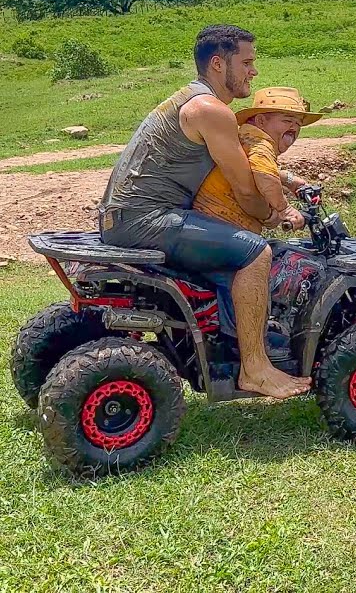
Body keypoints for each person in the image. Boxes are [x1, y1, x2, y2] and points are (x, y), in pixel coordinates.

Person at [98, 25, 310, 399]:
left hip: (125, 216)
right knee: (255, 252)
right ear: (218, 63)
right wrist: (274, 215)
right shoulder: (211, 110)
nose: (253, 72)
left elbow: (245, 164)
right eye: (247, 62)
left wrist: (288, 180)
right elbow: (246, 189)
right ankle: (255, 369)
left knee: (232, 248)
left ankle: (230, 339)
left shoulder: (194, 101)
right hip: (147, 219)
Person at [189, 86, 321, 339]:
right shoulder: (260, 141)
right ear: (261, 120)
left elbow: (257, 167)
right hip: (219, 224)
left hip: (210, 223)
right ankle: (237, 339)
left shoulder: (247, 136)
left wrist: (290, 180)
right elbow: (262, 173)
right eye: (286, 120)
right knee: (248, 270)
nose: (294, 127)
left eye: (298, 122)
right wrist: (285, 210)